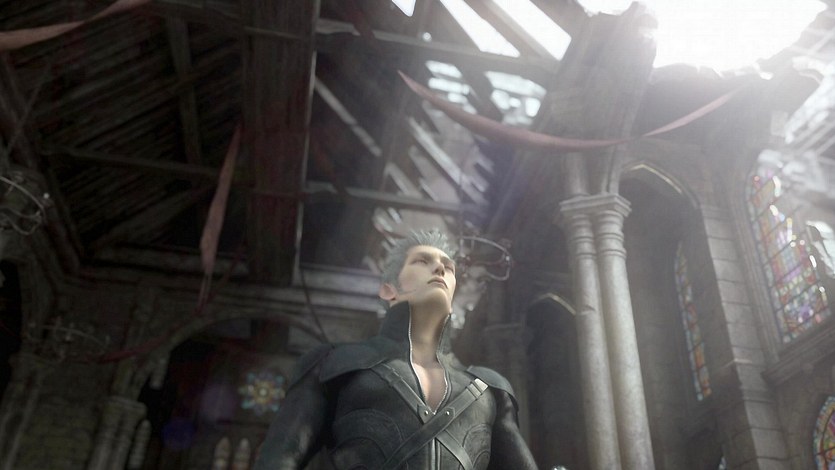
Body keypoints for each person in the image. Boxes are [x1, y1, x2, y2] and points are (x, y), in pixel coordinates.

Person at [253, 229, 538, 469]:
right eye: (422, 261)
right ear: (389, 289)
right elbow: (278, 460)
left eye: (448, 267)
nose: (440, 269)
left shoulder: (490, 389)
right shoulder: (333, 365)